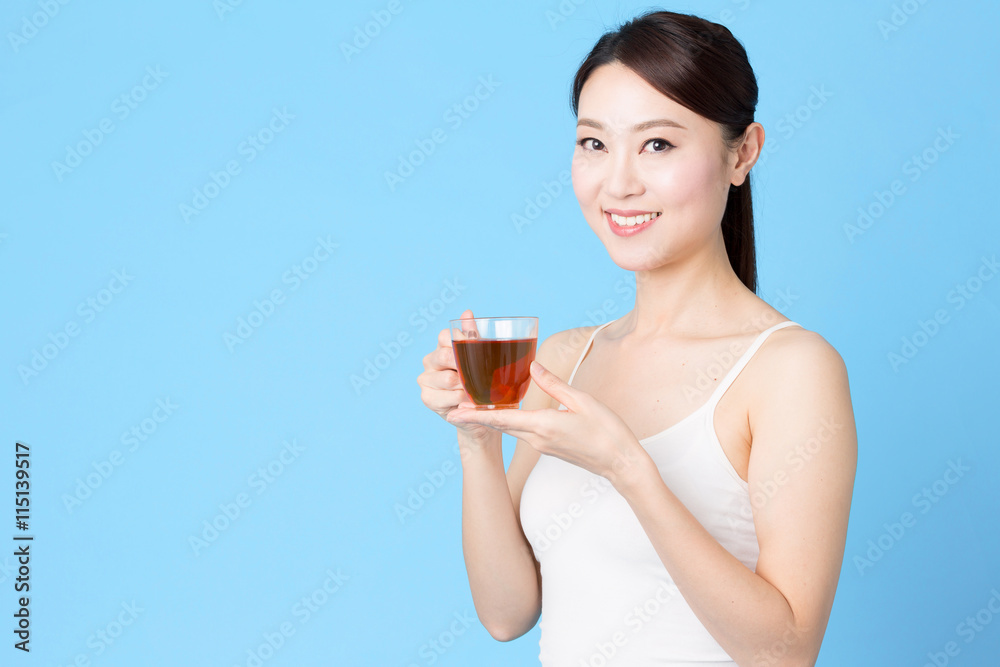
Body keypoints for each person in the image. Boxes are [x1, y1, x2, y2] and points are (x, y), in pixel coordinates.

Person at [417, 9, 857, 666]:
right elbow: (506, 613)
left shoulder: (791, 370)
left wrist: (629, 469)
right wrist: (475, 437)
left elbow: (785, 652)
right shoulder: (565, 360)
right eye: (594, 143)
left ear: (743, 153)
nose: (618, 181)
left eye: (658, 144)